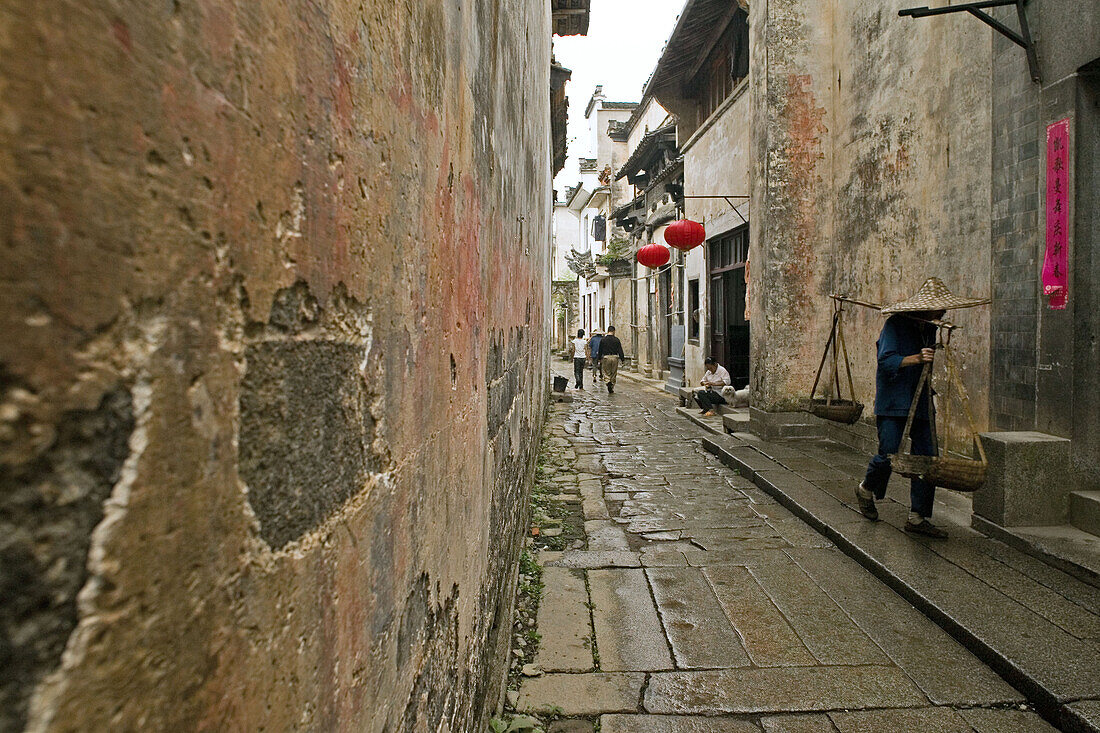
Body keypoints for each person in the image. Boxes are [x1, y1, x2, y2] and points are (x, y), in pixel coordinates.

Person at [855, 277, 988, 539]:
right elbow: (886, 360)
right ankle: (865, 489)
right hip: (894, 402)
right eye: (939, 309)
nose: (943, 313)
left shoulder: (929, 328)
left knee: (928, 458)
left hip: (922, 400)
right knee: (889, 455)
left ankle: (917, 517)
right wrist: (916, 358)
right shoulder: (895, 325)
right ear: (925, 308)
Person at [597, 326, 625, 393]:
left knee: (605, 372)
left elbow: (600, 349)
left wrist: (599, 358)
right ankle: (612, 384)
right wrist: (622, 359)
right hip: (615, 357)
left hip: (606, 357)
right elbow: (620, 350)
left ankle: (608, 381)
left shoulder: (603, 339)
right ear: (614, 331)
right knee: (613, 373)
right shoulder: (616, 340)